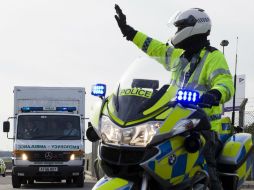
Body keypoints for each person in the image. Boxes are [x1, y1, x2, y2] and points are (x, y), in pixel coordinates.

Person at [114, 5, 234, 190]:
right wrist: (130, 32)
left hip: (205, 127)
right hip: (177, 124)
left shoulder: (213, 57)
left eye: (180, 28)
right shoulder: (178, 56)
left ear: (195, 27)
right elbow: (154, 48)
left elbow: (225, 82)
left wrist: (215, 93)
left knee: (206, 165)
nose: (177, 32)